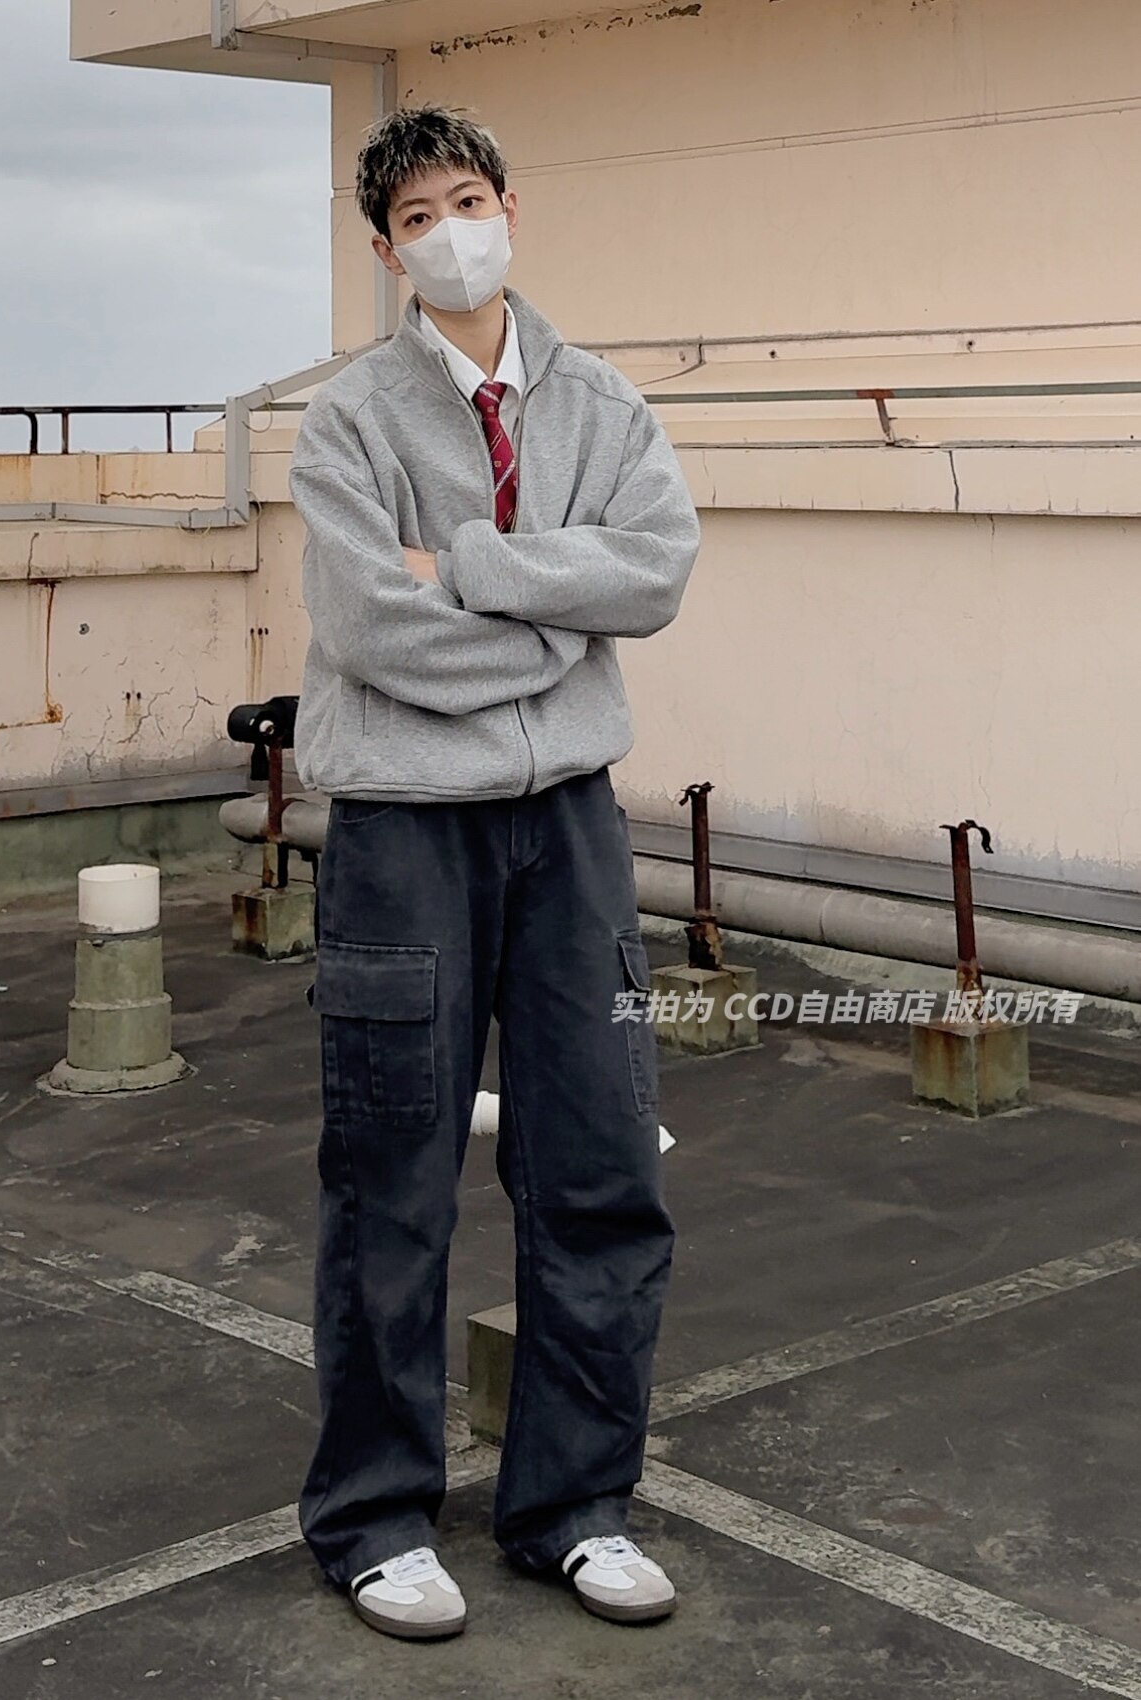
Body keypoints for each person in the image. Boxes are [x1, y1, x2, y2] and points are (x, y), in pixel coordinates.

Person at [288, 104, 701, 1640]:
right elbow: (367, 628)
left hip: (571, 825)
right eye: (417, 218)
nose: (449, 233)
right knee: (391, 1179)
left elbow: (653, 571)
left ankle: (576, 1505)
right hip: (404, 829)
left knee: (599, 1164)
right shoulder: (349, 422)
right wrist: (555, 627)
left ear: (511, 207)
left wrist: (467, 566)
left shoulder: (600, 404)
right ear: (385, 249)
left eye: (467, 200)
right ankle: (376, 1518)